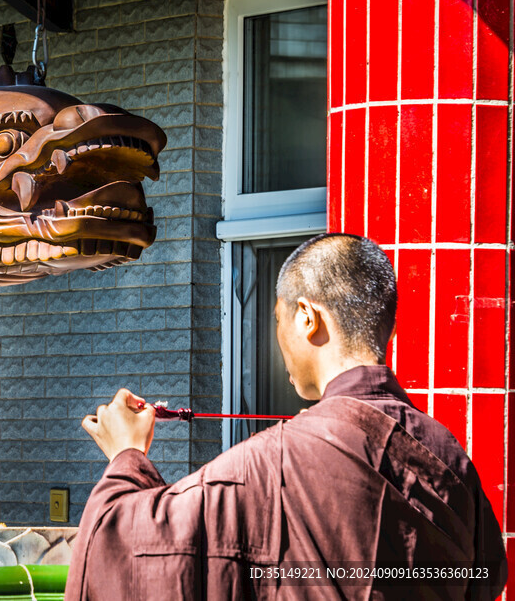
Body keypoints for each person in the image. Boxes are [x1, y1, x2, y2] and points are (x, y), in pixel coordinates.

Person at [65, 233, 506, 600]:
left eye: (278, 318)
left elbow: (123, 547)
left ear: (307, 318)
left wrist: (126, 455)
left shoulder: (269, 465)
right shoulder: (448, 456)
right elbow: (488, 577)